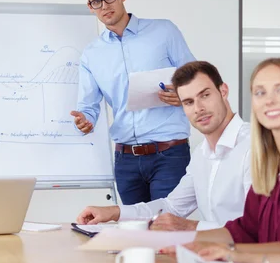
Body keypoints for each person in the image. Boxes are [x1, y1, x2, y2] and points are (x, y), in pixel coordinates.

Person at [163, 57, 280, 256]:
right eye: (260, 92)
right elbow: (246, 229)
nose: (270, 100)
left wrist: (232, 253)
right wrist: (183, 241)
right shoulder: (269, 160)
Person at [71, 0, 196, 205]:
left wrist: (182, 95)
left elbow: (195, 79)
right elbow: (88, 107)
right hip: (126, 161)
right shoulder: (91, 55)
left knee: (164, 229)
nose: (105, 6)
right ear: (90, 7)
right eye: (96, 2)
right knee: (133, 235)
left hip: (169, 154)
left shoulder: (164, 31)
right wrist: (84, 121)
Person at [77, 61, 251, 230]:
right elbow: (171, 207)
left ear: (223, 91)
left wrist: (191, 227)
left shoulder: (254, 147)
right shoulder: (201, 154)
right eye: (188, 102)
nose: (198, 108)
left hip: (250, 256)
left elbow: (259, 228)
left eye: (205, 95)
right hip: (212, 255)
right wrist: (113, 212)